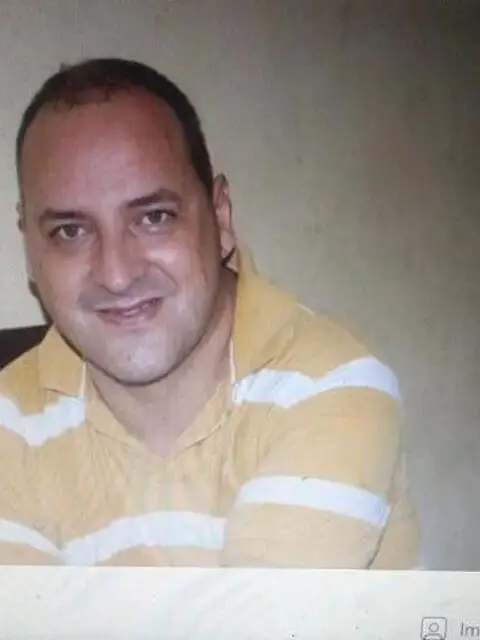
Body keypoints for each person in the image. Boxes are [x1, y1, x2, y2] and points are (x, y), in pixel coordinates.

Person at [0, 57, 421, 568]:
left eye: (154, 217)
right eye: (70, 231)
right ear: (29, 246)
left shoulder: (330, 386)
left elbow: (265, 613)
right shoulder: (9, 421)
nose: (116, 274)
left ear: (220, 216)